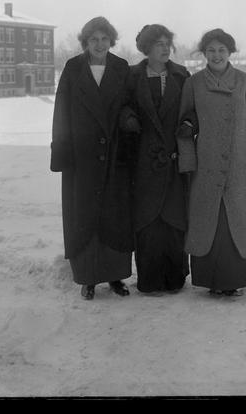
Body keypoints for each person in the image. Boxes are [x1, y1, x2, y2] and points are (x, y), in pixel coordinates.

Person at [177, 28, 246, 297]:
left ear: (230, 53)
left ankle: (236, 280)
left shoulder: (245, 82)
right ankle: (212, 280)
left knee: (239, 220)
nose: (216, 55)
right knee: (210, 223)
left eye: (221, 50)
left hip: (240, 166)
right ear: (204, 54)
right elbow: (183, 124)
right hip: (206, 167)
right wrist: (188, 161)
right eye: (211, 50)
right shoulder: (193, 83)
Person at [50, 16, 134, 300]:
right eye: (93, 39)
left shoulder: (121, 68)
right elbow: (61, 110)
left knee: (115, 216)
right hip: (81, 158)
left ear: (112, 41)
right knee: (82, 216)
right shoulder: (73, 68)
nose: (99, 44)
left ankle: (116, 278)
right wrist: (61, 151)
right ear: (85, 42)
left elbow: (129, 105)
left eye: (104, 39)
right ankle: (87, 278)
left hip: (115, 156)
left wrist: (129, 121)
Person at [120, 24, 190, 294]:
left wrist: (188, 124)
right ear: (146, 48)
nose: (164, 48)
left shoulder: (181, 75)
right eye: (158, 43)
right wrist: (128, 118)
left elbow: (191, 110)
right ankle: (149, 280)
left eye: (167, 43)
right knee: (148, 222)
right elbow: (122, 105)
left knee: (174, 220)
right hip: (144, 162)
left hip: (173, 162)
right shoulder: (132, 76)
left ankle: (175, 278)